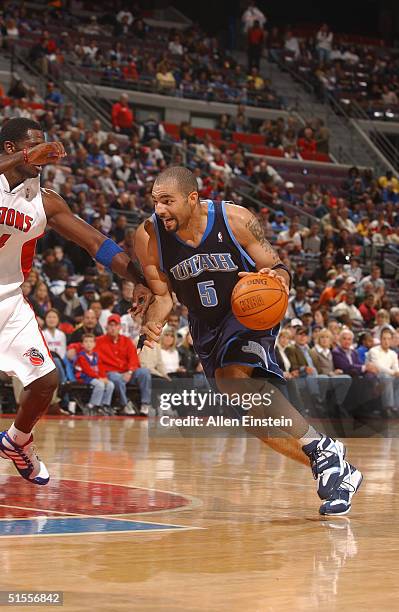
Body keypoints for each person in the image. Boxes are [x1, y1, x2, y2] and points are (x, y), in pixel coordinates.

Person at [134, 165, 363, 516]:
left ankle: (324, 452)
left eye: (168, 200)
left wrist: (277, 278)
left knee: (233, 378)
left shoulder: (235, 219)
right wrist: (153, 322)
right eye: (155, 201)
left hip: (249, 313)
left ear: (193, 198)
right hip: (204, 325)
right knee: (255, 418)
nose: (159, 209)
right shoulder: (149, 235)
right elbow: (163, 296)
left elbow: (280, 267)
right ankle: (333, 465)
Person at [0, 117, 151, 486]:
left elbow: (96, 243)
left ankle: (17, 441)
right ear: (9, 149)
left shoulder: (46, 202)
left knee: (46, 381)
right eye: (32, 145)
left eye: (43, 145)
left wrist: (141, 279)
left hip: (8, 300)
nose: (42, 152)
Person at [96, 314, 152, 416]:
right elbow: (86, 348)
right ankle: (125, 404)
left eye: (115, 325)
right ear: (106, 327)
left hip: (127, 372)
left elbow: (134, 359)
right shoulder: (99, 341)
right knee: (117, 378)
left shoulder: (126, 341)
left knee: (145, 372)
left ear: (120, 327)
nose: (113, 328)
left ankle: (145, 404)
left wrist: (130, 371)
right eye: (111, 325)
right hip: (111, 373)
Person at [74, 333, 115, 415]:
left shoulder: (96, 355)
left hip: (95, 377)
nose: (88, 344)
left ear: (94, 344)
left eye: (91, 342)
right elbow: (87, 370)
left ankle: (104, 405)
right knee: (100, 385)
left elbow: (101, 368)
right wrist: (99, 378)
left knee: (110, 384)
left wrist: (104, 377)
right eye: (86, 342)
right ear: (82, 344)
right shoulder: (81, 356)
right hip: (84, 377)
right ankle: (92, 405)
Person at [366, 328, 399, 416]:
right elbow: (378, 366)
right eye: (384, 338)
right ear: (380, 339)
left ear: (391, 340)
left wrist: (397, 372)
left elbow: (396, 366)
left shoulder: (393, 353)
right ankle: (388, 407)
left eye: (388, 339)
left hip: (389, 375)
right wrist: (393, 373)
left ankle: (396, 407)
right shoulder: (374, 351)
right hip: (376, 375)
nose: (386, 341)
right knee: (386, 377)